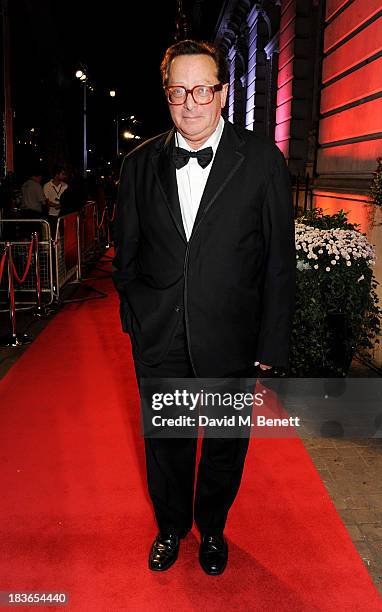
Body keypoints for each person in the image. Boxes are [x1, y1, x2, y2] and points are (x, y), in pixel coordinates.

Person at [112, 39, 296, 575]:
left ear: (221, 92)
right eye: (178, 91)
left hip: (231, 337)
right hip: (160, 338)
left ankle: (212, 528)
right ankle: (172, 527)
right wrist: (139, 321)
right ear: (167, 95)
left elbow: (277, 262)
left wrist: (271, 343)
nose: (190, 102)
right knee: (166, 445)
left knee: (223, 444)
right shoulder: (139, 164)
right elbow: (126, 256)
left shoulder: (262, 160)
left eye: (202, 90)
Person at [43, 165, 68, 236]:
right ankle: (54, 247)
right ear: (57, 174)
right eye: (62, 174)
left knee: (63, 234)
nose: (64, 176)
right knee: (53, 234)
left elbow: (67, 200)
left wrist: (61, 205)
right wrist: (56, 205)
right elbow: (46, 200)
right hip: (51, 214)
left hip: (63, 214)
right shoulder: (47, 186)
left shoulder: (65, 186)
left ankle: (63, 247)